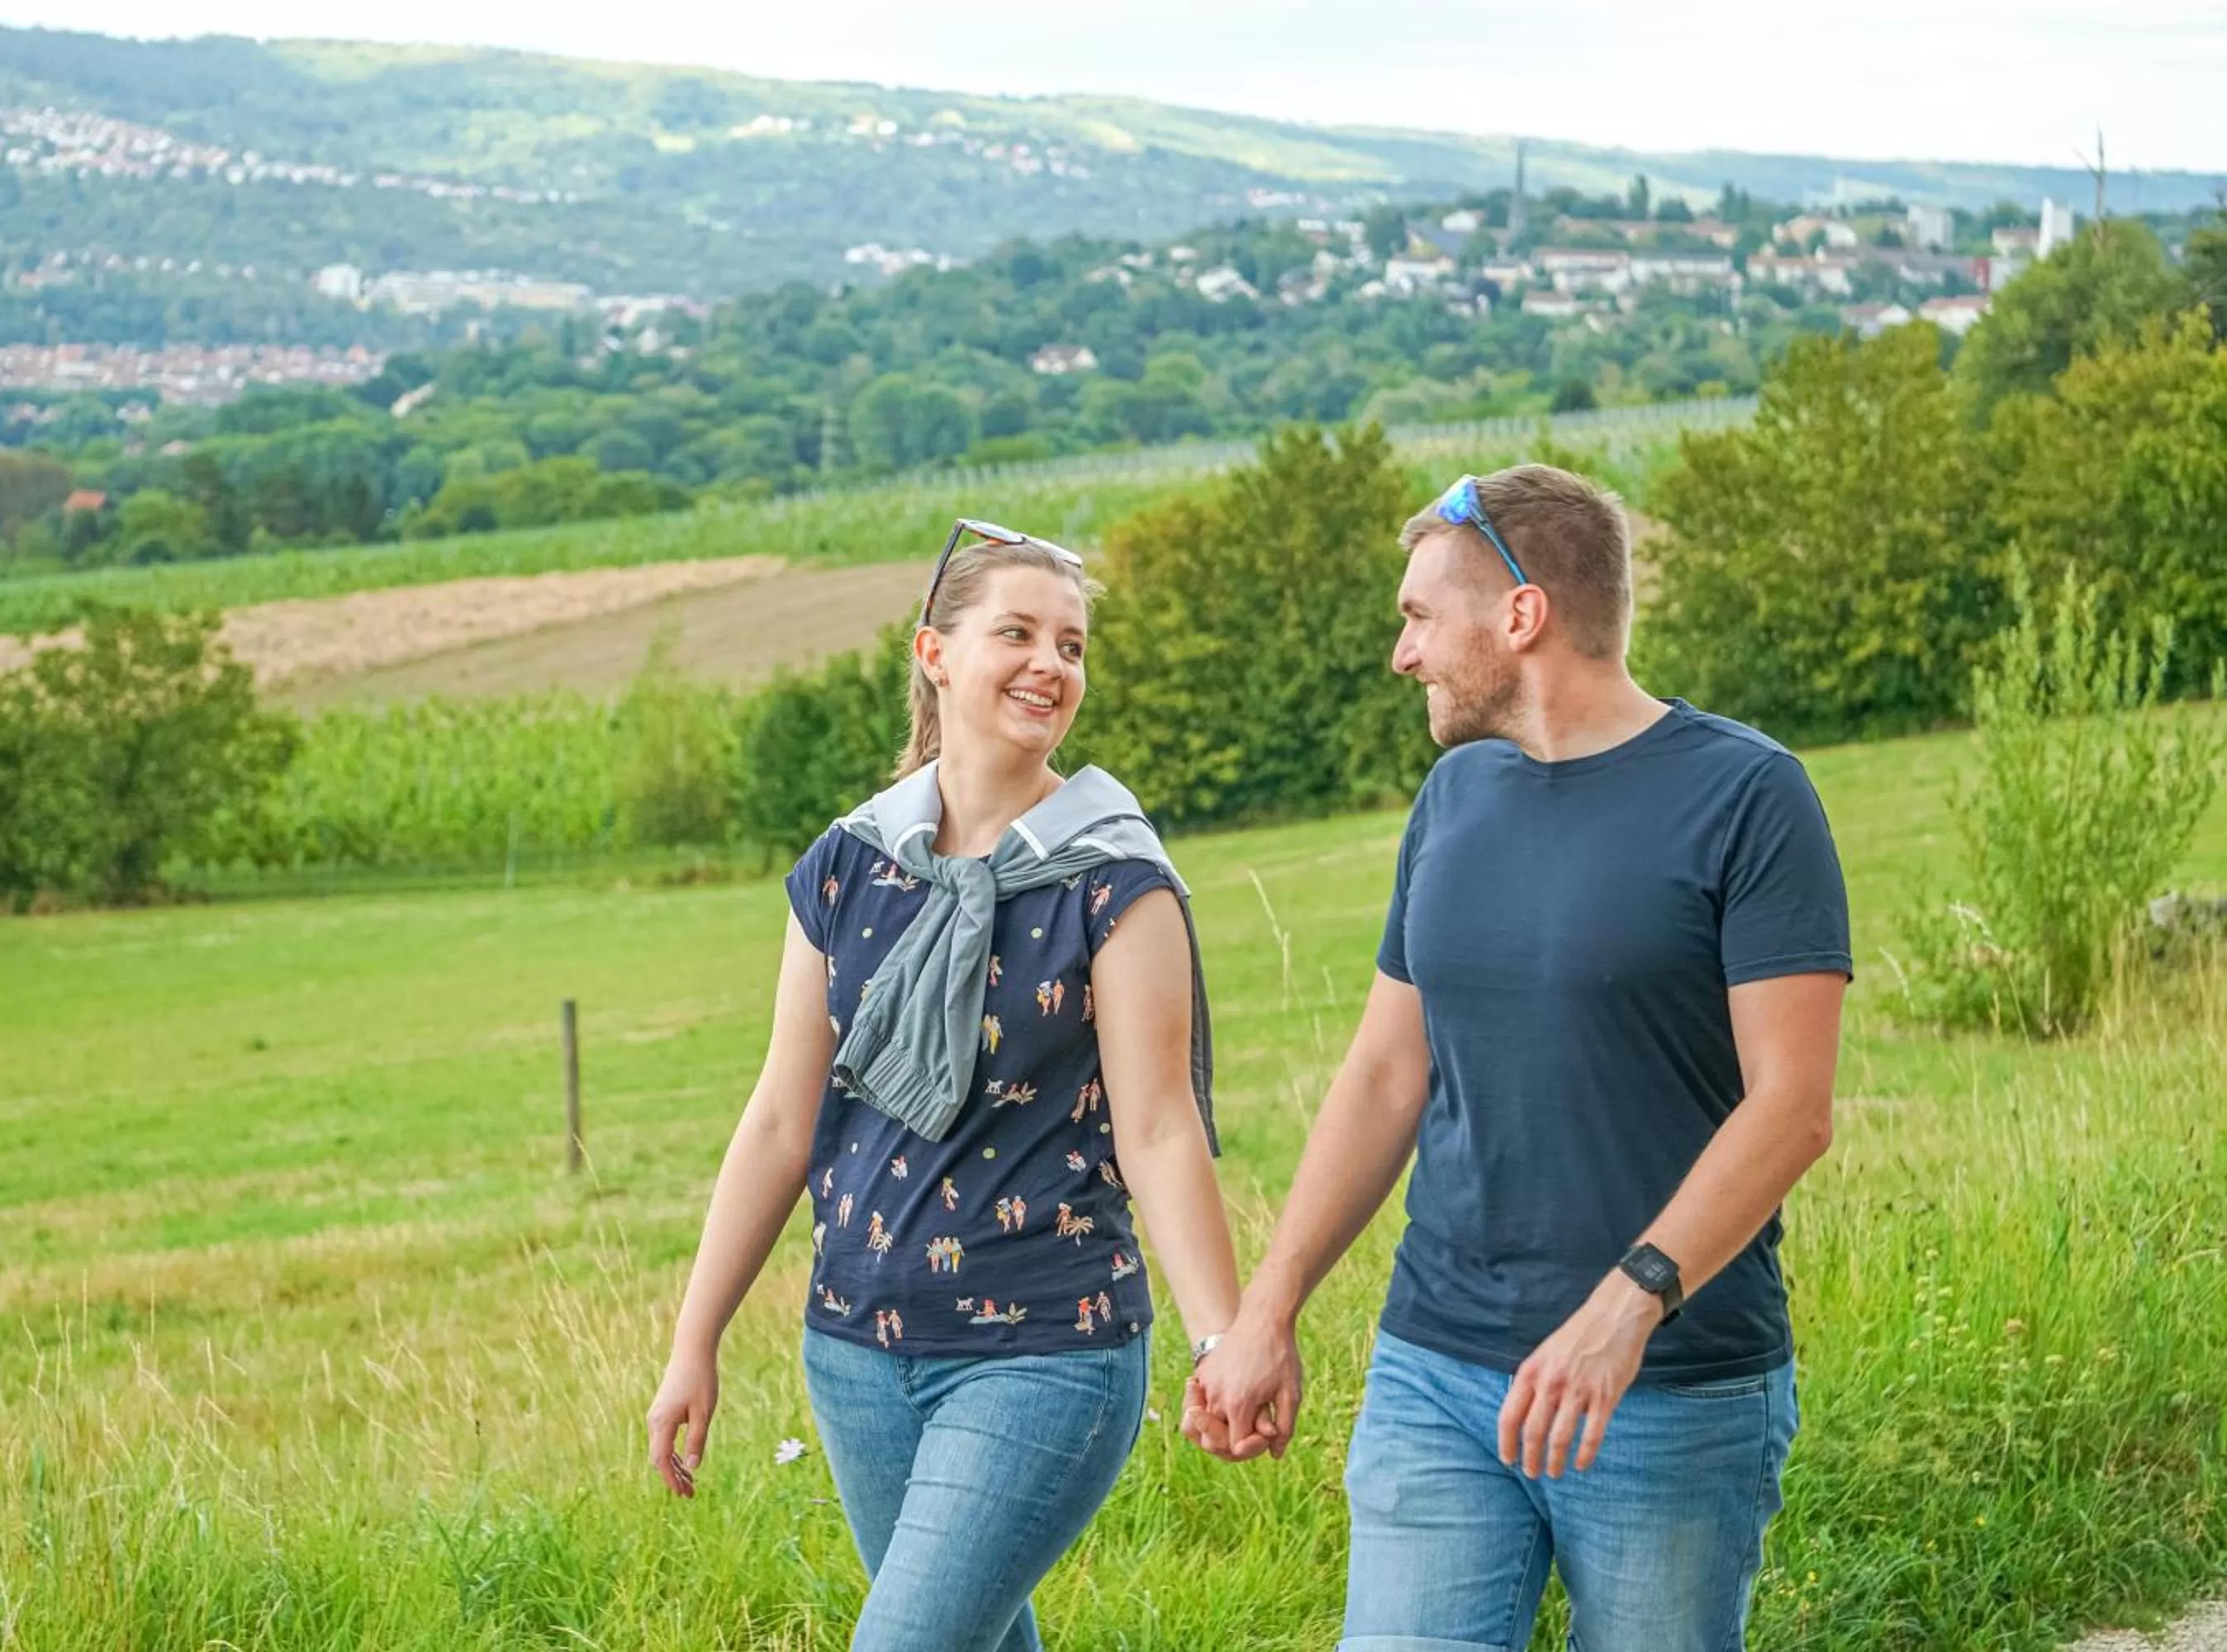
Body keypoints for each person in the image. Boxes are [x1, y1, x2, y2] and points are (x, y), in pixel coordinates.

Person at [1187, 465, 1851, 1652]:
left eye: (1418, 617)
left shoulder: (1750, 796)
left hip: (1669, 1388)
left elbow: (1792, 1109)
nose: (1404, 654)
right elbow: (1388, 1073)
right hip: (1435, 1369)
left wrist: (1626, 1306)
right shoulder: (1454, 796)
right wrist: (1268, 1307)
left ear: (1522, 615)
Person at [648, 519, 1244, 1652]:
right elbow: (783, 1116)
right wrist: (696, 1339)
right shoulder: (851, 862)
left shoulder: (1115, 878)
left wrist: (1223, 1339)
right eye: (1016, 633)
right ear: (935, 652)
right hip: (856, 1354)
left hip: (1048, 1350)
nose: (1051, 665)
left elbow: (1159, 1127)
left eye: (1071, 645)